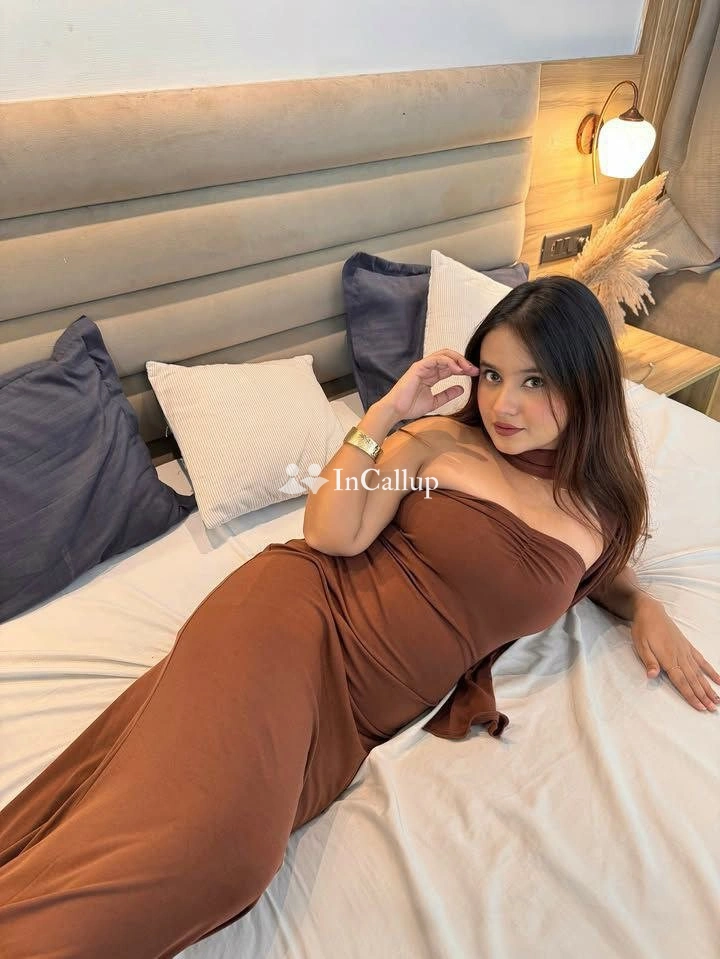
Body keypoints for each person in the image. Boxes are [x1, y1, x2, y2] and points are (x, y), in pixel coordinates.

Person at [1, 276, 717, 959]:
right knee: (227, 856)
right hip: (297, 618)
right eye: (494, 375)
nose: (504, 404)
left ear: (586, 384)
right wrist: (384, 415)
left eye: (536, 381)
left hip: (355, 717)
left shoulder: (601, 509)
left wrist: (643, 605)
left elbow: (591, 569)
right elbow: (331, 533)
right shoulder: (436, 444)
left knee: (191, 838)